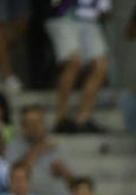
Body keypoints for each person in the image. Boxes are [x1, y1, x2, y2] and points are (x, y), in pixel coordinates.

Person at [45, 0, 111, 133]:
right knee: (74, 62)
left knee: (102, 66)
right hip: (62, 18)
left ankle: (83, 118)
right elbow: (55, 4)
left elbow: (106, 12)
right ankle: (61, 118)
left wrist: (98, 9)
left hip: (89, 22)